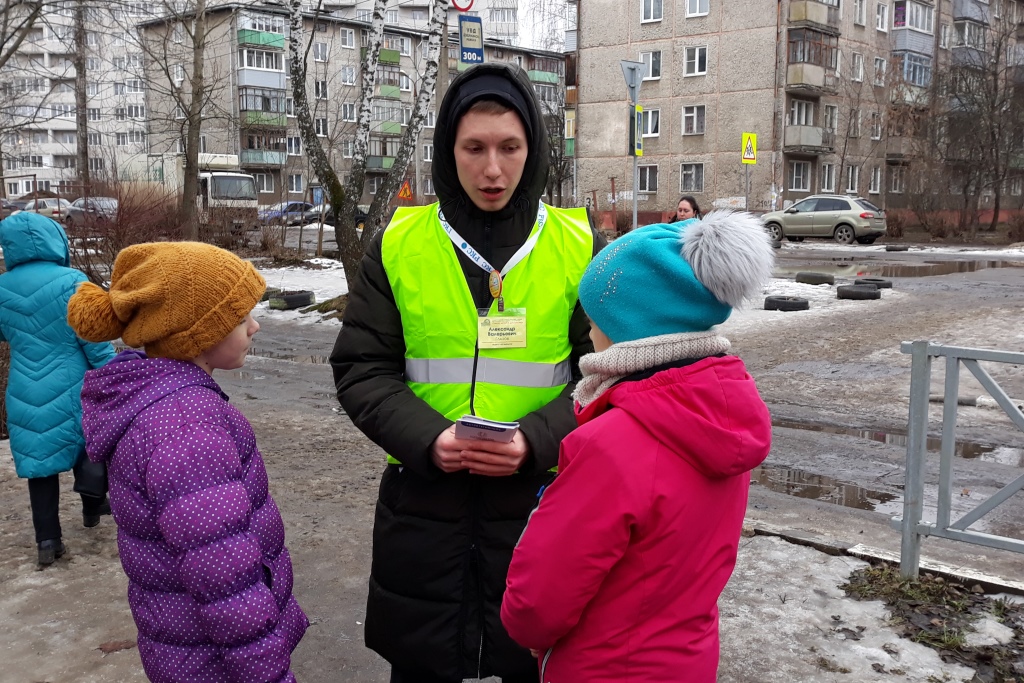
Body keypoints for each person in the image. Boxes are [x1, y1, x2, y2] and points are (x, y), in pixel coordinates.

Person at [330, 62, 605, 683]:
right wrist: (430, 439)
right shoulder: (400, 244)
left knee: (529, 659)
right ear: (446, 150)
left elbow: (605, 376)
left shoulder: (578, 246)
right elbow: (361, 367)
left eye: (510, 148)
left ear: (532, 151)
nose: (492, 169)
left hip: (539, 506)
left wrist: (536, 441)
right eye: (473, 148)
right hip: (427, 511)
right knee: (427, 662)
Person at [501, 211, 775, 682]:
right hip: (686, 660)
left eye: (594, 319)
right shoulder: (720, 418)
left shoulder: (610, 444)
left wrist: (529, 634)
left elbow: (540, 600)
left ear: (627, 326)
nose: (588, 332)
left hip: (604, 666)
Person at [67, 242, 308, 683]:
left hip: (185, 648)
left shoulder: (164, 400)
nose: (254, 327)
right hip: (217, 664)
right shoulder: (186, 429)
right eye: (239, 319)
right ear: (197, 333)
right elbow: (226, 579)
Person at [0, 211, 116, 566]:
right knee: (89, 446)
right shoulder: (72, 282)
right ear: (55, 241)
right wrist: (112, 374)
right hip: (73, 385)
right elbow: (93, 336)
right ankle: (93, 506)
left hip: (23, 386)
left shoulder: (1, 287)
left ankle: (48, 541)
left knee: (40, 465)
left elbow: (6, 334)